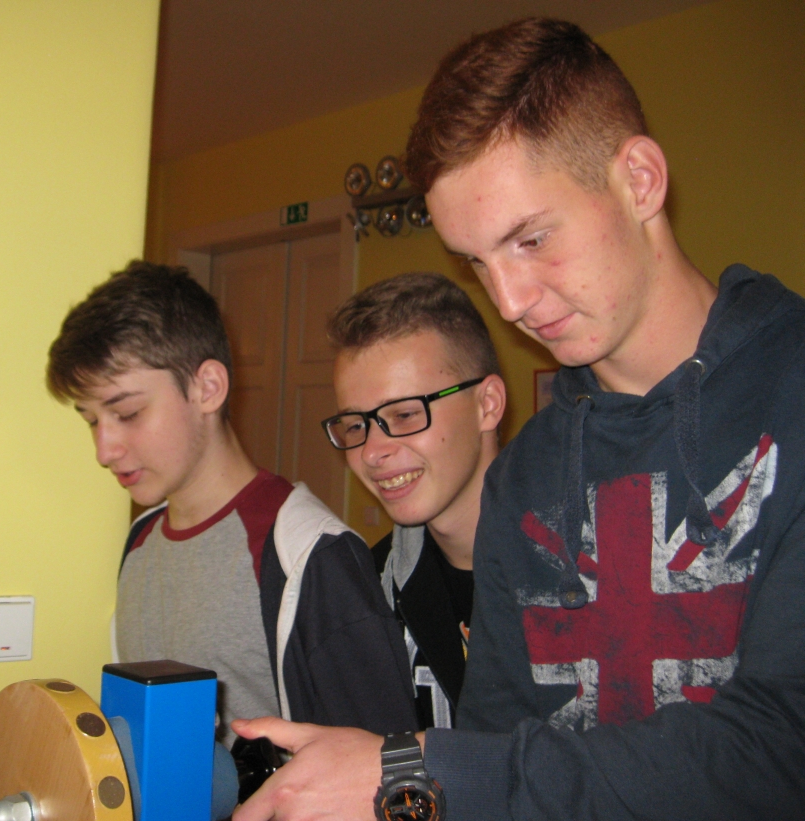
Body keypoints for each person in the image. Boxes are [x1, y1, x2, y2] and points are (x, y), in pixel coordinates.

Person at [233, 17, 805, 820]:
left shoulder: (791, 390)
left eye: (531, 239)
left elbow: (783, 747)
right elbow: (496, 742)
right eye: (478, 262)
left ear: (640, 180)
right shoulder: (526, 477)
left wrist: (422, 767)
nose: (508, 303)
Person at [46, 260, 417, 743]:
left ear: (208, 389)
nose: (104, 450)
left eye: (128, 413)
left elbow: (385, 760)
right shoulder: (141, 540)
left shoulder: (308, 554)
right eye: (92, 420)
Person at [322, 273, 506, 730]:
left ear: (487, 404)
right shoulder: (370, 593)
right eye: (355, 425)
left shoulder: (586, 573)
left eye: (404, 414)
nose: (371, 452)